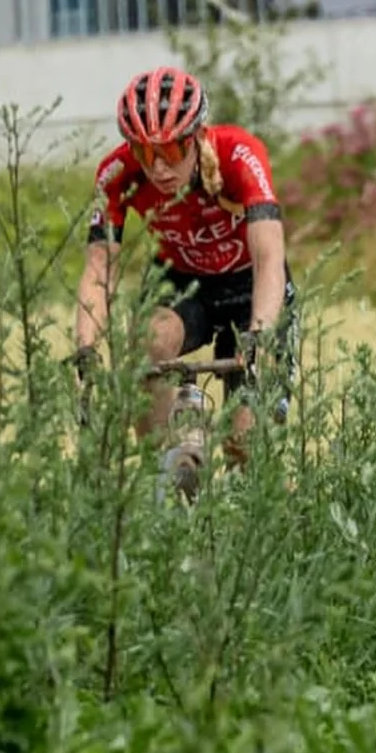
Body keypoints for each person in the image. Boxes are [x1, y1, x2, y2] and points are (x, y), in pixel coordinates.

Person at [73, 65, 295, 463]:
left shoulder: (238, 153)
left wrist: (260, 333)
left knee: (244, 441)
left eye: (171, 151)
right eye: (144, 152)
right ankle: (163, 476)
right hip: (183, 282)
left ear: (196, 138)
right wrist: (86, 348)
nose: (158, 167)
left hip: (250, 285)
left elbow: (269, 257)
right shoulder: (117, 173)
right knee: (144, 341)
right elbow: (98, 271)